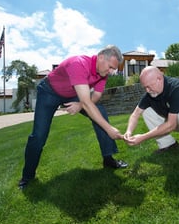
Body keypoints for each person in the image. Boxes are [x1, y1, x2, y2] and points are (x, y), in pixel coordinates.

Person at [18, 45, 128, 189]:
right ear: (101, 57)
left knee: (99, 112)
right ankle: (27, 177)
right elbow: (87, 102)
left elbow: (96, 96)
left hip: (72, 94)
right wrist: (109, 129)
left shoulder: (103, 73)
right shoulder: (79, 63)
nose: (112, 72)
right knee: (39, 136)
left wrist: (80, 105)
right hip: (49, 92)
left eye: (114, 69)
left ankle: (108, 159)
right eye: (111, 67)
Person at [124, 66, 179, 161]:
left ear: (159, 79)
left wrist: (142, 137)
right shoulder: (150, 94)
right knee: (147, 111)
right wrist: (129, 132)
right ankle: (168, 144)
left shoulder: (178, 88)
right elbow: (135, 114)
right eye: (144, 87)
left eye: (148, 86)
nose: (147, 90)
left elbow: (171, 125)